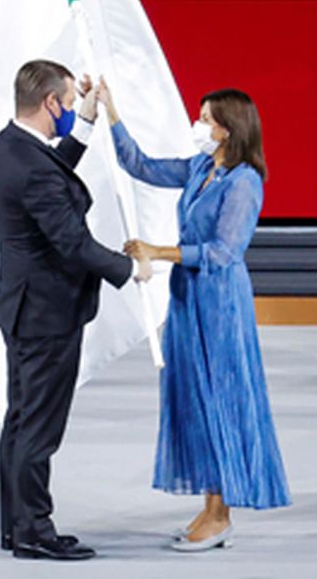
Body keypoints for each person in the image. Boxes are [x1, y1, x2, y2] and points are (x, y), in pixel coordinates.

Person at [98, 81, 291, 552]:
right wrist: (111, 111)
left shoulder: (245, 181)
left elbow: (225, 251)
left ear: (227, 129)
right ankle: (209, 505)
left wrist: (157, 251)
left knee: (217, 398)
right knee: (193, 400)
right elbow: (139, 165)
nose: (198, 125)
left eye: (205, 119)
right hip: (187, 296)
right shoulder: (201, 167)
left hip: (220, 304)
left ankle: (221, 513)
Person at [0, 59, 153, 561]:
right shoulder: (32, 167)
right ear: (49, 103)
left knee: (20, 421)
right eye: (65, 103)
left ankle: (17, 524)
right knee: (39, 428)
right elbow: (73, 242)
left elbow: (54, 175)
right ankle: (35, 531)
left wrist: (85, 119)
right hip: (46, 314)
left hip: (23, 306)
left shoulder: (10, 147)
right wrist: (128, 269)